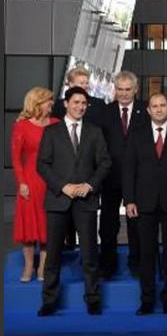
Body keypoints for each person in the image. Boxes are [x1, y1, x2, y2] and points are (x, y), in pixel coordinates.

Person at [37, 86, 111, 316]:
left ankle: (93, 298)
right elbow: (42, 164)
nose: (80, 107)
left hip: (86, 200)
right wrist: (63, 187)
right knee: (54, 254)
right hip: (58, 199)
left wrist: (88, 186)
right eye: (76, 102)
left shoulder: (95, 132)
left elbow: (105, 163)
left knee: (89, 253)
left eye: (83, 103)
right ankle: (50, 300)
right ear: (66, 104)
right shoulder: (51, 132)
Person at [123, 93, 167, 315]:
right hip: (143, 203)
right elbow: (129, 171)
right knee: (146, 253)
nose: (158, 109)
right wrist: (129, 200)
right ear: (148, 110)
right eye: (154, 106)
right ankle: (147, 300)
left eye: (162, 105)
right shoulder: (136, 135)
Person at [98, 70, 148, 279]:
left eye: (128, 89)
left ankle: (137, 264)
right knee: (108, 224)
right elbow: (98, 146)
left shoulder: (146, 110)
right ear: (114, 90)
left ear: (135, 90)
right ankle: (107, 266)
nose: (124, 94)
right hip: (110, 177)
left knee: (137, 224)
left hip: (138, 178)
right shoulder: (104, 112)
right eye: (120, 89)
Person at [51, 66, 105, 250]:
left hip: (89, 169)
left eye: (87, 84)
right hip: (64, 171)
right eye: (80, 84)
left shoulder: (98, 105)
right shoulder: (58, 106)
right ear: (69, 85)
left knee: (87, 228)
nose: (85, 87)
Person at [11, 87, 59, 283]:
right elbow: (15, 158)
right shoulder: (22, 126)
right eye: (48, 100)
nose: (52, 104)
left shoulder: (57, 124)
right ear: (37, 102)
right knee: (29, 226)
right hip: (30, 180)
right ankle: (29, 266)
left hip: (51, 180)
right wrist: (22, 182)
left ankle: (43, 267)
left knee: (48, 226)